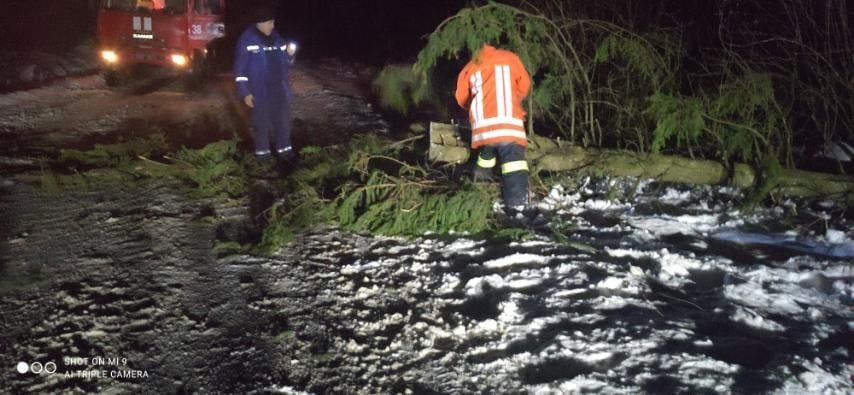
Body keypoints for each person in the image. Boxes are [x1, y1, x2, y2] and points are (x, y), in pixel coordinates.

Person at [455, 43, 532, 215]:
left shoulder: (470, 66)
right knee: (513, 161)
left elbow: (461, 97)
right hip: (508, 120)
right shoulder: (511, 59)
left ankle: (481, 189)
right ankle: (517, 206)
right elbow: (524, 85)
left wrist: (475, 107)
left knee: (487, 152)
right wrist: (513, 97)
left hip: (483, 126)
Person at [234, 6, 297, 167]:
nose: (272, 26)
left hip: (278, 88)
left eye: (273, 22)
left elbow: (287, 62)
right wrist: (245, 92)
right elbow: (240, 70)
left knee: (282, 120)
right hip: (259, 91)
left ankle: (285, 151)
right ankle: (262, 155)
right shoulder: (247, 40)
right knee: (261, 123)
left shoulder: (277, 38)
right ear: (260, 23)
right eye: (269, 23)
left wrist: (290, 55)